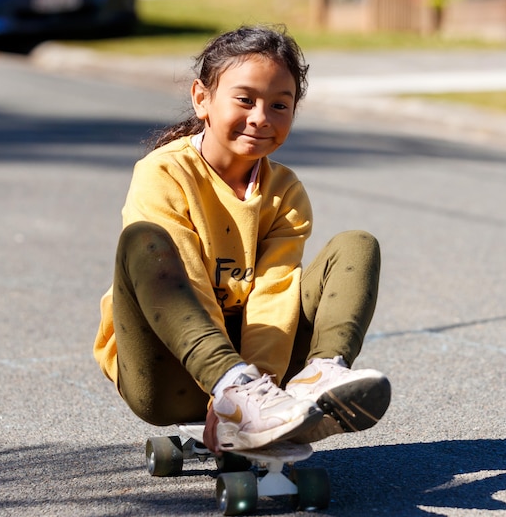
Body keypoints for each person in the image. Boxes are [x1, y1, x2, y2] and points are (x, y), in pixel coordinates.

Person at [93, 25, 390, 452]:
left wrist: (262, 384)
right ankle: (238, 392)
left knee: (357, 245)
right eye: (245, 100)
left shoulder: (285, 191)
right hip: (166, 371)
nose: (260, 118)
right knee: (143, 242)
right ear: (202, 98)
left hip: (256, 376)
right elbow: (190, 283)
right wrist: (228, 386)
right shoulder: (164, 173)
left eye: (279, 105)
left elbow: (276, 291)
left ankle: (319, 378)